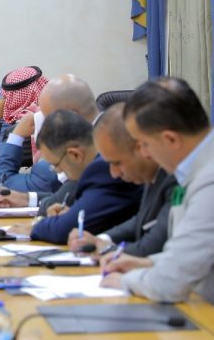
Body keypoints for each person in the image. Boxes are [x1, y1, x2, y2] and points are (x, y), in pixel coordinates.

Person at [102, 78, 214, 304]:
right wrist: (149, 263)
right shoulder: (197, 168)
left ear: (170, 139)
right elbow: (190, 256)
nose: (145, 154)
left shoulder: (211, 180)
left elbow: (170, 284)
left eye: (144, 144)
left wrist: (125, 281)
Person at [12, 110, 141, 245]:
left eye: (56, 164)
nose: (57, 171)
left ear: (75, 155)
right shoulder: (98, 168)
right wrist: (69, 214)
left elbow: (63, 229)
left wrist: (36, 227)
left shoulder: (104, 169)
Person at [67, 103, 176, 258]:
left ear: (141, 148)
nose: (114, 174)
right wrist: (101, 239)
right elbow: (142, 221)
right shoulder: (150, 173)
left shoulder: (175, 178)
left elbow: (153, 246)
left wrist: (104, 250)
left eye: (117, 163)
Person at [0, 74, 100, 208]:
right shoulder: (98, 133)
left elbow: (2, 184)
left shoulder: (102, 147)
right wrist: (27, 199)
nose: (43, 123)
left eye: (48, 118)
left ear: (72, 115)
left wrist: (17, 135)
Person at [0, 65, 48, 171]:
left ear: (19, 96)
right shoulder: (45, 115)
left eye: (6, 95)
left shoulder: (27, 126)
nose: (3, 99)